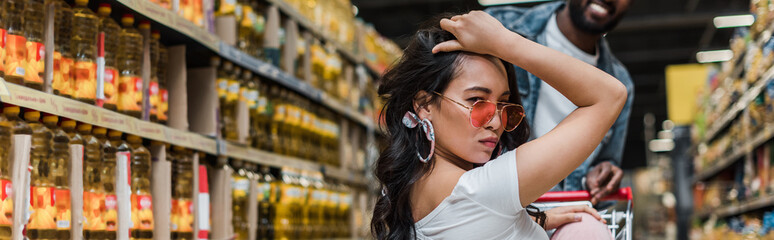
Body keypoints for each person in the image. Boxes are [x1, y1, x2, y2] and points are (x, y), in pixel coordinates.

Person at [370, 10, 627, 240]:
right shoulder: (481, 192)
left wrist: (535, 220)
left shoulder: (410, 188)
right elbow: (609, 95)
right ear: (424, 104)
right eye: (476, 100)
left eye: (503, 104)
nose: (495, 121)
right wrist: (505, 42)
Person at [486, 0, 634, 205]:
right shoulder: (500, 26)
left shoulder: (620, 82)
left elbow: (606, 161)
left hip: (566, 216)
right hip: (499, 206)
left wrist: (603, 173)